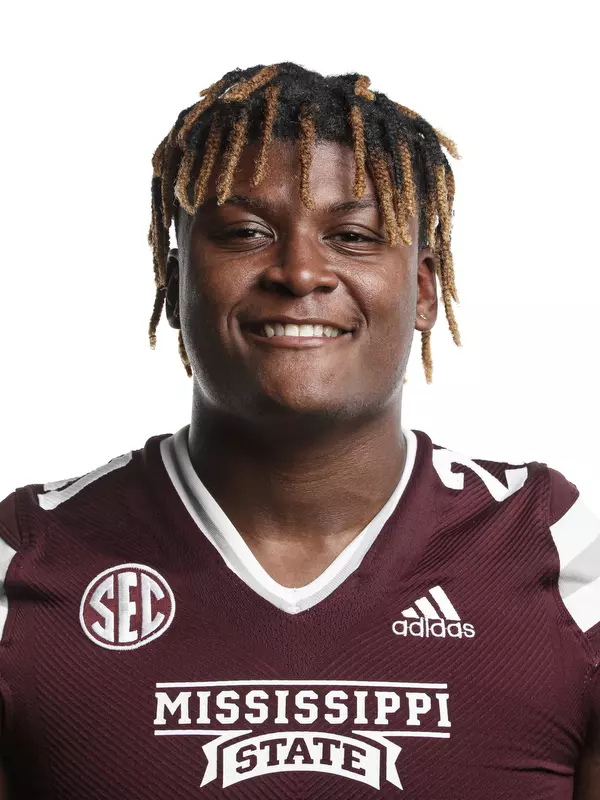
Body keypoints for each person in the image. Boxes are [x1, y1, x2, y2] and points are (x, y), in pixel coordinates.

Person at [0, 60, 598, 799]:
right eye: (247, 232)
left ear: (422, 290)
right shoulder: (23, 562)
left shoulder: (567, 558)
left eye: (352, 236)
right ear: (174, 278)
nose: (300, 272)